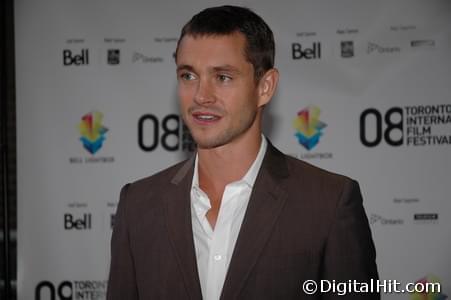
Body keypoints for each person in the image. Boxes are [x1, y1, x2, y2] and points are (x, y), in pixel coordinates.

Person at [107, 5, 379, 300]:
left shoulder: (329, 203)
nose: (201, 95)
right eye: (188, 76)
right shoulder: (138, 206)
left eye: (222, 77)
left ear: (265, 86)